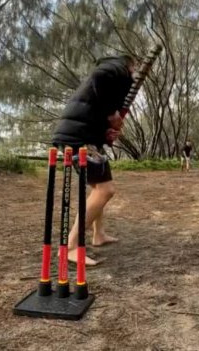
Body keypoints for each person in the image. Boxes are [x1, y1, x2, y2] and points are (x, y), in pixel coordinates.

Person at [52, 54, 137, 265]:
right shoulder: (117, 68)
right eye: (134, 69)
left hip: (85, 137)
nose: (134, 73)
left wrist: (107, 132)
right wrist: (111, 114)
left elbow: (95, 110)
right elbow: (101, 76)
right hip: (77, 139)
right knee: (105, 190)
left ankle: (99, 234)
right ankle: (70, 246)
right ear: (130, 64)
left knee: (98, 188)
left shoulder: (114, 81)